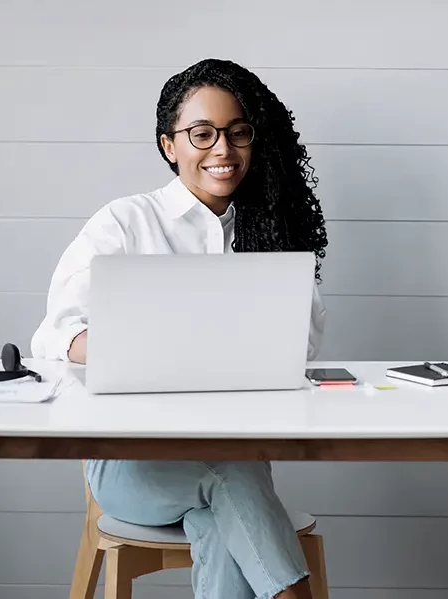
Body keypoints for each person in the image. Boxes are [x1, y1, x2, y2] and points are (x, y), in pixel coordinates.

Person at [31, 58, 329, 599]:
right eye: (202, 134)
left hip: (237, 458)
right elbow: (55, 335)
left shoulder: (267, 231)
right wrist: (146, 345)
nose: (223, 150)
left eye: (239, 133)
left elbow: (300, 348)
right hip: (132, 468)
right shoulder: (125, 222)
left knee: (222, 514)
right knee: (230, 478)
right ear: (170, 145)